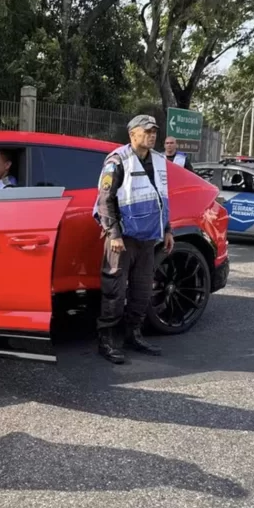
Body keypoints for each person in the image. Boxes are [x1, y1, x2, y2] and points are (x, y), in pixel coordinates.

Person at [92, 114, 175, 364]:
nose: (152, 134)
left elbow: (162, 198)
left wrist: (167, 229)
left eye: (154, 131)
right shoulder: (118, 160)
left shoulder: (159, 161)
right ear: (132, 134)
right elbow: (105, 199)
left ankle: (133, 334)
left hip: (148, 238)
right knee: (115, 291)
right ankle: (107, 340)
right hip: (122, 239)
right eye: (147, 130)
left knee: (142, 291)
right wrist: (113, 233)